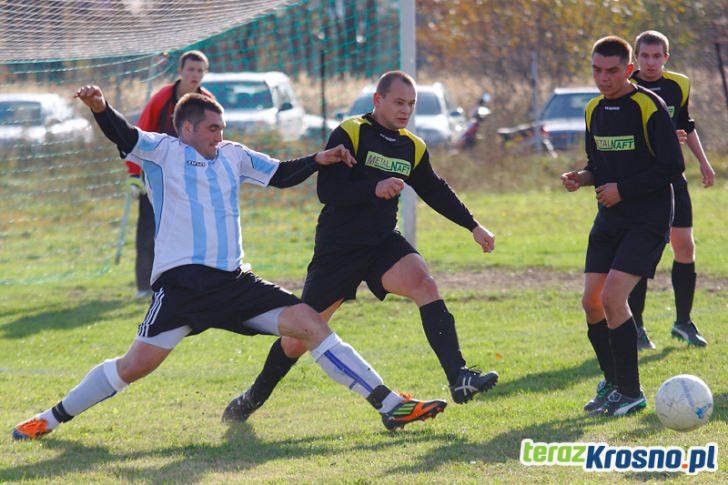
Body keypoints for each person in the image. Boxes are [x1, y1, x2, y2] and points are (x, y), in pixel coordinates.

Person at [11, 85, 448, 441]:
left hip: (235, 282)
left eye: (222, 128)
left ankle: (390, 405)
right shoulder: (161, 152)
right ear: (186, 129)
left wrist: (320, 159)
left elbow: (280, 174)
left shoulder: (234, 155)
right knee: (133, 367)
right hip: (182, 288)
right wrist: (101, 107)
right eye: (212, 128)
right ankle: (48, 419)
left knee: (310, 323)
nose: (219, 135)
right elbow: (123, 135)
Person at [222, 70, 498, 423]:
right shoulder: (351, 132)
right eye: (398, 102)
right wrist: (374, 187)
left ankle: (459, 377)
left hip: (382, 242)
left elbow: (435, 189)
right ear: (378, 100)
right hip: (339, 248)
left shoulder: (412, 146)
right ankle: (252, 398)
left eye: (410, 104)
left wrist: (472, 225)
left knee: (424, 284)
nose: (405, 111)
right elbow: (328, 192)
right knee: (299, 337)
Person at [561, 36, 684, 416]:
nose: (603, 78)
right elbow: (598, 164)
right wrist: (582, 177)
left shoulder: (649, 106)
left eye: (612, 70)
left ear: (628, 70)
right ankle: (613, 383)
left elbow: (671, 166)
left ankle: (631, 392)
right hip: (609, 217)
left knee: (614, 299)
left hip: (647, 218)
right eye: (597, 70)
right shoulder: (593, 108)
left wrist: (623, 189)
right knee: (591, 303)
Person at [627, 30, 715, 350]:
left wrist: (703, 163)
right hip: (642, 182)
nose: (651, 62)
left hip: (674, 178)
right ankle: (636, 328)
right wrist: (662, 140)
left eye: (656, 56)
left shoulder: (679, 84)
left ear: (667, 56)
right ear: (635, 58)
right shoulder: (627, 89)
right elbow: (629, 139)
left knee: (685, 248)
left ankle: (683, 322)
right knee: (643, 255)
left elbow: (686, 125)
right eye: (645, 56)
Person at [127, 50, 214, 300]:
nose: (195, 75)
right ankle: (145, 286)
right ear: (181, 71)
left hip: (190, 179)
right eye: (191, 70)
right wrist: (135, 174)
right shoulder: (162, 98)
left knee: (191, 230)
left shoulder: (207, 101)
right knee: (148, 230)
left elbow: (215, 140)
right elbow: (138, 135)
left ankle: (189, 282)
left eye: (200, 71)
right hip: (155, 177)